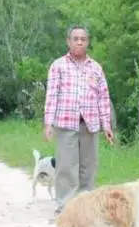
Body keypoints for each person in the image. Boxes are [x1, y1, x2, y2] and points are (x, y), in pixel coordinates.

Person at [44, 25, 114, 217]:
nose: (79, 42)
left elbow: (103, 98)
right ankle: (66, 207)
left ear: (88, 42)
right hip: (66, 123)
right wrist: (48, 123)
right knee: (66, 167)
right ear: (69, 41)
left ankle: (86, 207)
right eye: (76, 38)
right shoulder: (58, 66)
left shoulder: (96, 68)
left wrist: (106, 125)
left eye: (83, 39)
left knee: (88, 166)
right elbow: (52, 95)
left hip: (90, 124)